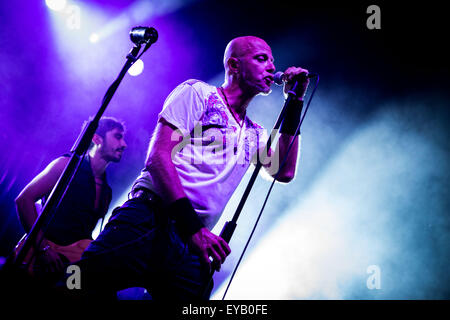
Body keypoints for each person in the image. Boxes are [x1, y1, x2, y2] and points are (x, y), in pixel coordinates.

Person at [72, 36, 309, 300]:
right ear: (233, 65)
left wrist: (295, 103)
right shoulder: (198, 93)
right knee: (80, 285)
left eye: (272, 61)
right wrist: (194, 228)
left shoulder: (255, 134)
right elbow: (158, 158)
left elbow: (284, 171)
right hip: (150, 218)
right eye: (261, 58)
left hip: (193, 243)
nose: (270, 67)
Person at [14, 116, 127, 276]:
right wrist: (44, 249)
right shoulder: (65, 166)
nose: (124, 144)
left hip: (64, 269)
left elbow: (83, 237)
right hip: (35, 258)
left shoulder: (106, 192)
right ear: (96, 138)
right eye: (117, 136)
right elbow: (24, 200)